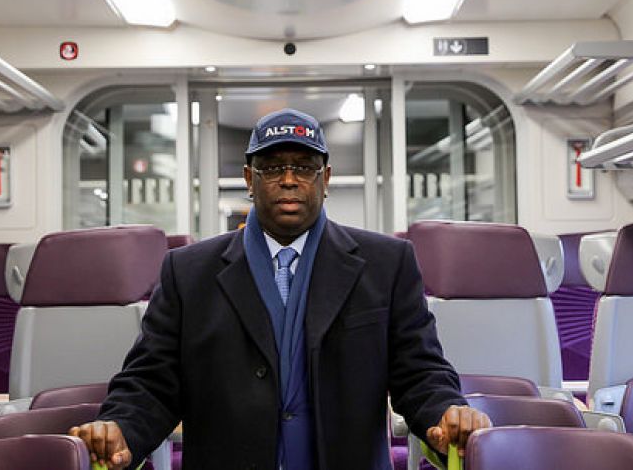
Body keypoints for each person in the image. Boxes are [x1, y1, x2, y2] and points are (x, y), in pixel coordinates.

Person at [71, 108, 491, 470]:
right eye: (272, 168)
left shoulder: (386, 264)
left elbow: (419, 371)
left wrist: (444, 412)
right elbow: (151, 381)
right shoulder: (189, 271)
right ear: (250, 179)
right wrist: (122, 428)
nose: (289, 180)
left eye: (304, 167)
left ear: (324, 178)